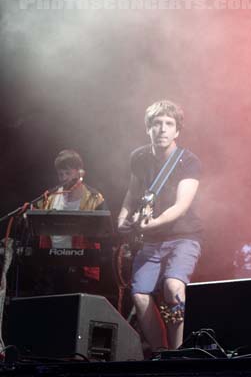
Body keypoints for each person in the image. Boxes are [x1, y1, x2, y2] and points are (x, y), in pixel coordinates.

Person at [117, 100, 202, 352]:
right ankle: (159, 353)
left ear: (177, 131)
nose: (163, 129)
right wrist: (123, 216)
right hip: (151, 240)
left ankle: (177, 354)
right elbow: (132, 194)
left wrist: (152, 222)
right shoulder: (139, 157)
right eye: (157, 124)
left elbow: (181, 206)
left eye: (169, 124)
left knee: (173, 286)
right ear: (148, 129)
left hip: (185, 236)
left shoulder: (188, 161)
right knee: (140, 295)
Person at [36, 149, 105, 294]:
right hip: (53, 263)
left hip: (81, 266)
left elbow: (104, 231)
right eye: (60, 174)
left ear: (80, 173)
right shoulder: (50, 197)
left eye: (67, 173)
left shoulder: (95, 198)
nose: (63, 178)